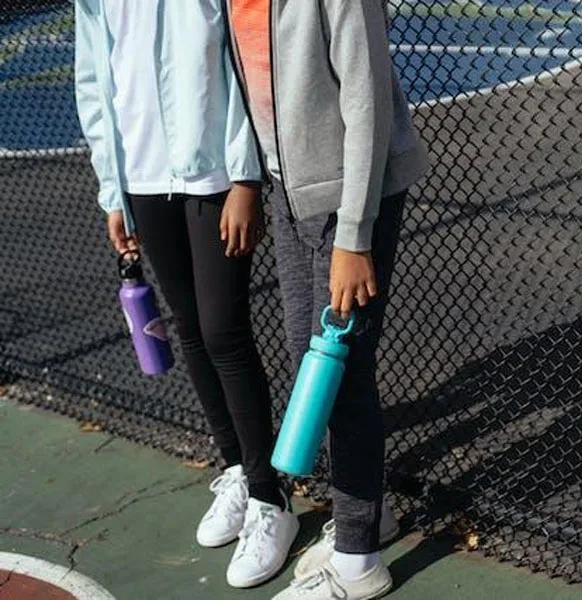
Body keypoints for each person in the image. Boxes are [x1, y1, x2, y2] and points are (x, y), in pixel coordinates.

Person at [74, 0, 298, 588]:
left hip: (214, 175)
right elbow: (94, 82)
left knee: (224, 329)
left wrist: (247, 178)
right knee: (190, 327)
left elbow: (244, 61)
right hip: (141, 178)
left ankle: (269, 498)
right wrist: (112, 191)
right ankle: (234, 469)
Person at [226, 0, 429, 597]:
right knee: (309, 360)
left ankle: (358, 563)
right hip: (292, 192)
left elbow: (366, 103)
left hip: (347, 201)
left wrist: (353, 238)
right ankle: (368, 513)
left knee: (338, 373)